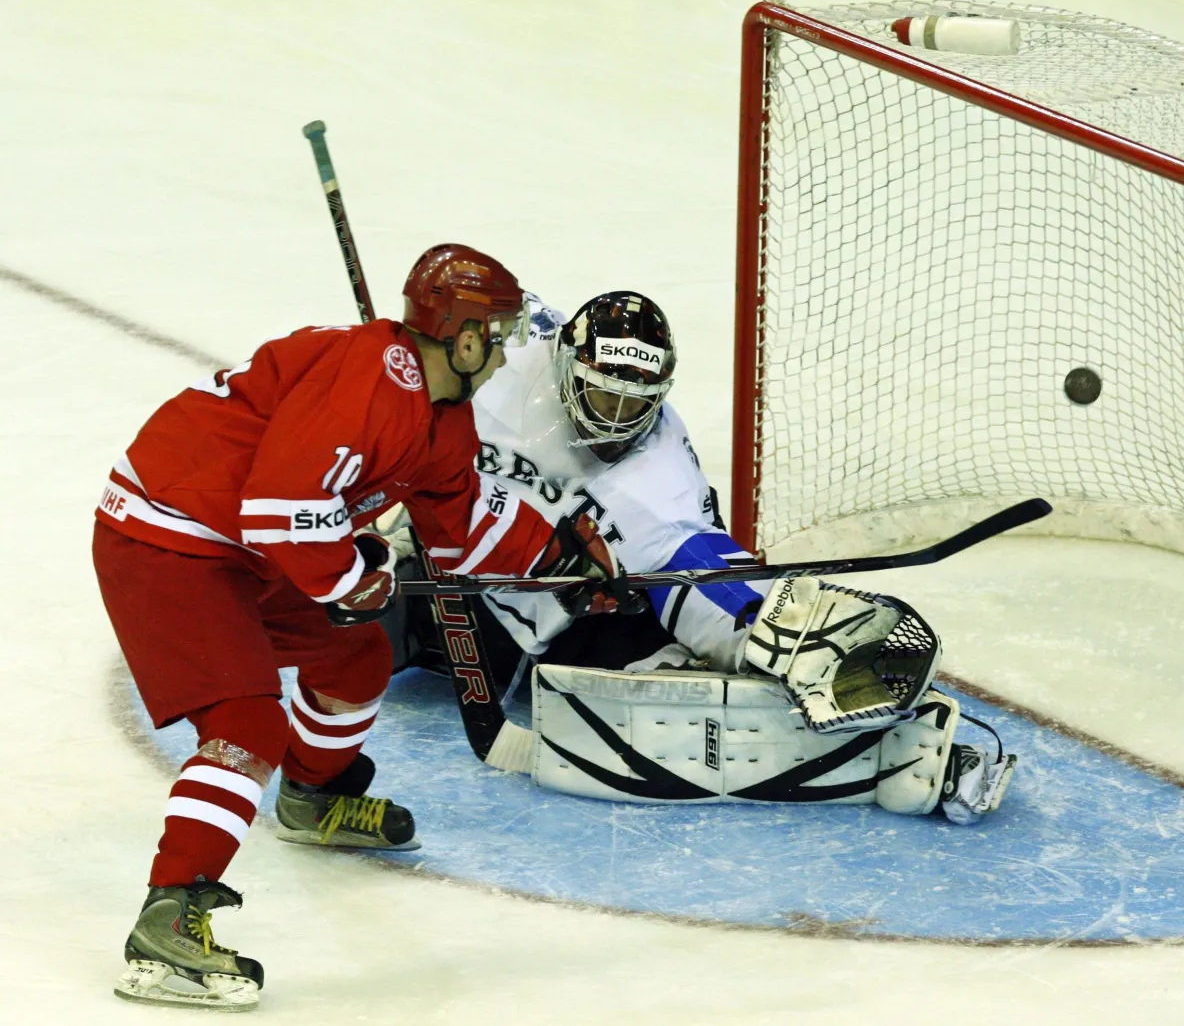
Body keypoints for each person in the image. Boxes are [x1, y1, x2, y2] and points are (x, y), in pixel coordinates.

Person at [94, 245, 625, 1011]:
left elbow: (460, 528)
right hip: (168, 532)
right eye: (499, 333)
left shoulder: (442, 417)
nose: (506, 350)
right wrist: (352, 578)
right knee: (247, 725)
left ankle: (314, 796)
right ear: (466, 337)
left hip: (244, 543)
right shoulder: (372, 379)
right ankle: (170, 913)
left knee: (353, 659)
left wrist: (556, 554)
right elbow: (280, 506)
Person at [381, 290, 1017, 824]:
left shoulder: (656, 476)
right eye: (606, 399)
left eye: (637, 404)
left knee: (682, 695)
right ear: (568, 365)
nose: (619, 421)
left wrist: (770, 625)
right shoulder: (508, 360)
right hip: (438, 584)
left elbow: (697, 564)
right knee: (329, 610)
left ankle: (894, 747)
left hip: (560, 626)